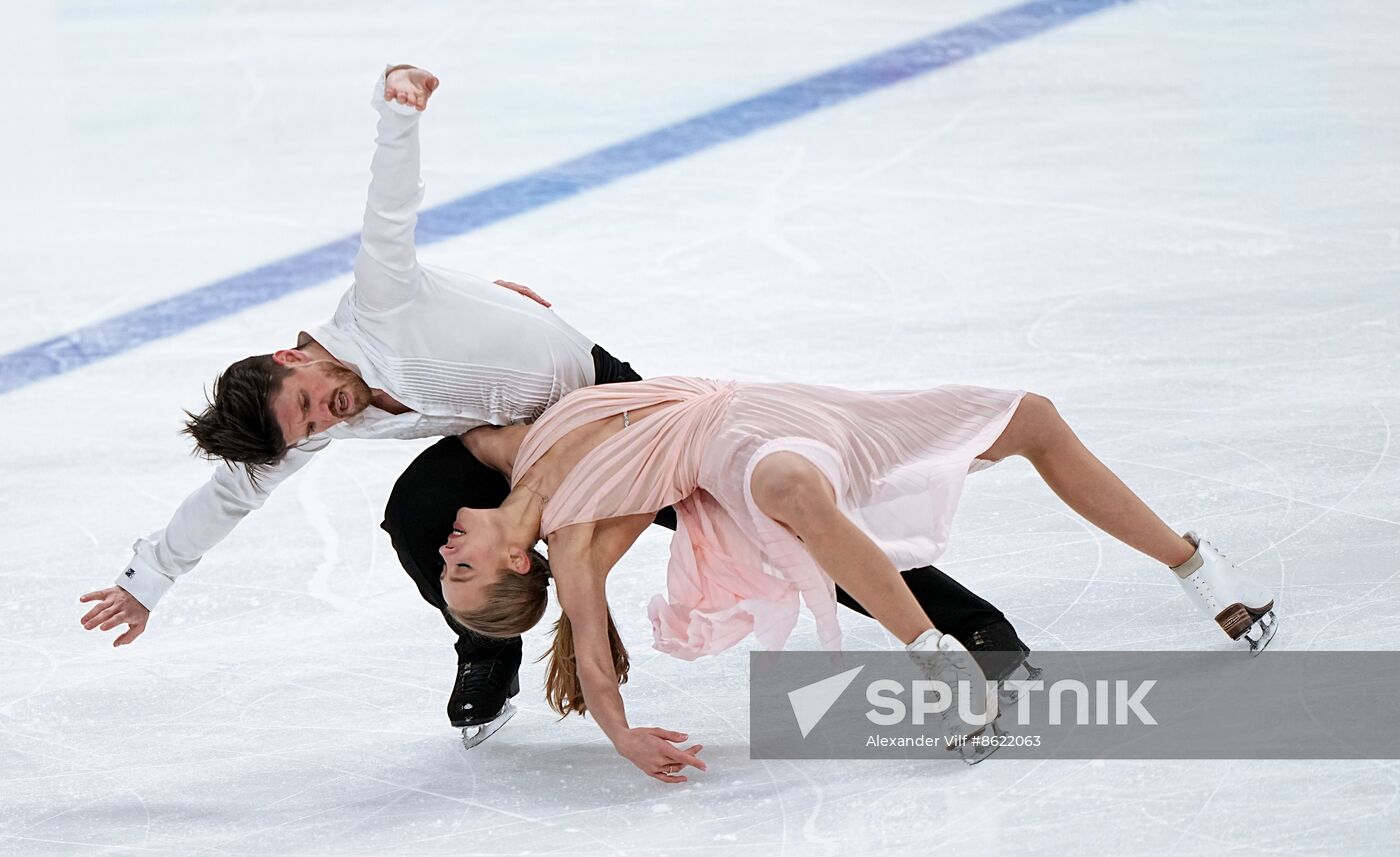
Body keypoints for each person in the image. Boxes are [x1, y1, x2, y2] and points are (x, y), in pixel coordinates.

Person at [77, 62, 1031, 747]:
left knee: (766, 519)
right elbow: (236, 491)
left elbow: (389, 207)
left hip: (608, 406)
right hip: (508, 444)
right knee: (420, 513)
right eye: (317, 426)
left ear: (291, 352)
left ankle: (966, 628)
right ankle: (487, 646)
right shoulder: (315, 414)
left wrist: (398, 109)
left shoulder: (377, 298)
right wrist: (149, 581)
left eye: (314, 400)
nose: (332, 415)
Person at [439, 377, 1278, 782]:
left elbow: (432, 395)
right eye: (461, 571)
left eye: (446, 565)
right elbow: (592, 659)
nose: (445, 550)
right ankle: (944, 669)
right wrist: (621, 736)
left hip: (781, 402)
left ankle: (1197, 566)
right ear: (521, 563)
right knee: (793, 490)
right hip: (733, 453)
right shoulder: (577, 547)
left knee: (1031, 417)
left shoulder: (516, 449)